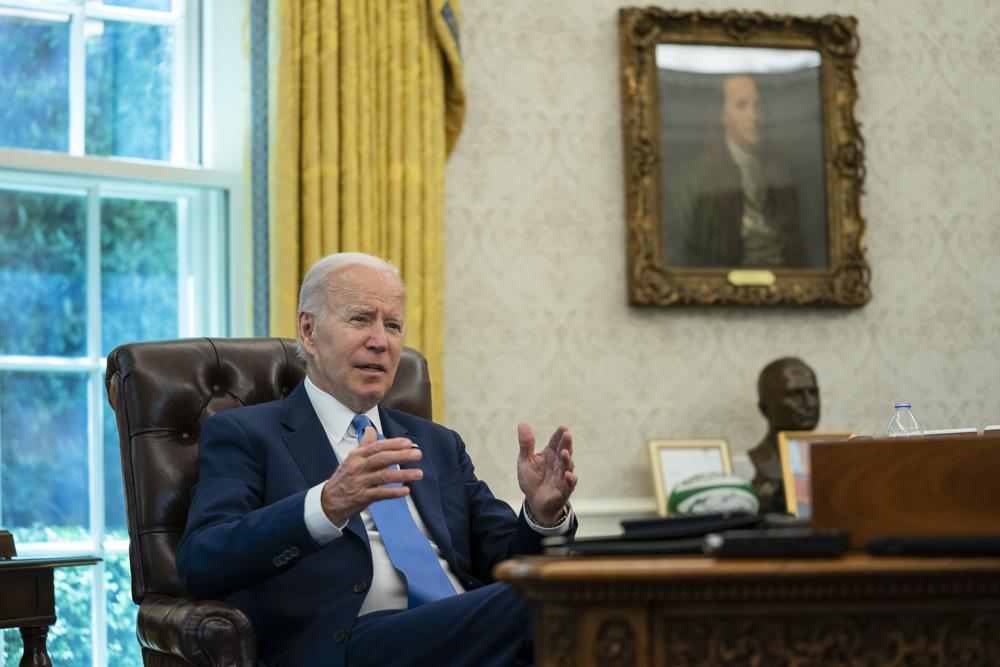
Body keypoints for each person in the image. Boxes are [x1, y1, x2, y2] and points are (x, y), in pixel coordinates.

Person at [176, 252, 578, 666]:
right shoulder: (246, 434)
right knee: (549, 603)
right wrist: (325, 505)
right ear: (309, 331)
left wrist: (542, 516)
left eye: (393, 325)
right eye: (360, 319)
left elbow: (508, 559)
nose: (380, 341)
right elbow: (202, 561)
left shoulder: (437, 443)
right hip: (346, 644)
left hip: (464, 633)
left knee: (568, 597)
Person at [665, 73, 805, 268]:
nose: (754, 117)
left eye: (758, 106)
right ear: (722, 115)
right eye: (741, 106)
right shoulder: (695, 179)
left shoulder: (779, 172)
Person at [747, 357, 819, 513]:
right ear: (764, 408)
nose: (810, 403)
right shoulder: (761, 460)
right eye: (794, 395)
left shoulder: (829, 457)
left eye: (813, 392)